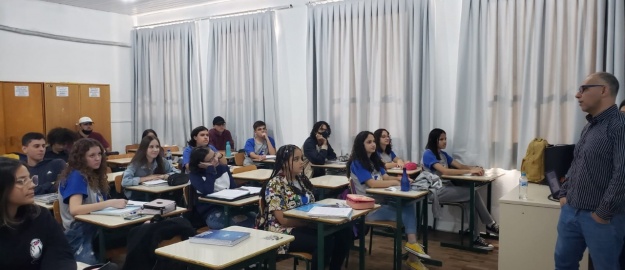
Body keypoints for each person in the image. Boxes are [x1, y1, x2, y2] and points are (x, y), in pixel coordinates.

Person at [555, 72, 625, 270]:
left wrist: (602, 213)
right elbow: (577, 163)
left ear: (603, 90)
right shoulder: (589, 126)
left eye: (584, 89)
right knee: (563, 264)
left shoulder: (620, 126)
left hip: (602, 218)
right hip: (571, 211)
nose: (578, 95)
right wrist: (564, 193)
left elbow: (623, 174)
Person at [257, 145, 351, 270]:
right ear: (283, 163)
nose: (301, 162)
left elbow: (312, 204)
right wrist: (309, 222)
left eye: (301, 158)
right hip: (283, 231)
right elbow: (282, 220)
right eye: (296, 159)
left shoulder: (301, 179)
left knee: (344, 233)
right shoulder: (275, 184)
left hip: (306, 223)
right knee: (324, 241)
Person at [347, 131, 429, 270]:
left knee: (408, 204)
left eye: (373, 141)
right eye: (369, 142)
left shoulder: (374, 160)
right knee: (403, 212)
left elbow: (385, 178)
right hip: (369, 209)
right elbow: (372, 183)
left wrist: (399, 179)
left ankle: (412, 249)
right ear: (361, 145)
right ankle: (413, 253)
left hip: (381, 202)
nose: (373, 144)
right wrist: (396, 183)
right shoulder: (357, 163)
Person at [422, 128, 498, 250]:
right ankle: (489, 224)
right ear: (433, 140)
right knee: (471, 193)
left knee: (470, 200)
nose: (444, 141)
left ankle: (475, 238)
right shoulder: (428, 154)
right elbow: (444, 171)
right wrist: (470, 171)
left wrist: (475, 167)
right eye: (441, 139)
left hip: (447, 187)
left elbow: (460, 166)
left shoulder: (443, 154)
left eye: (445, 139)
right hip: (435, 191)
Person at [58, 138, 128, 265]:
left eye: (99, 154)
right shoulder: (77, 176)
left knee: (139, 230)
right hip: (81, 231)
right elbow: (75, 209)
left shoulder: (94, 175)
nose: (98, 158)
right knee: (136, 234)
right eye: (92, 155)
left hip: (97, 226)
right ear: (81, 158)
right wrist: (110, 203)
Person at [0, 157, 76, 270]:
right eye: (21, 181)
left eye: (29, 179)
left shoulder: (39, 216)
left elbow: (61, 255)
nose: (32, 185)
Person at [188, 147, 256, 229]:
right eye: (211, 160)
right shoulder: (195, 176)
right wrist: (210, 170)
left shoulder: (223, 168)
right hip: (212, 213)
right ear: (201, 164)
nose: (216, 160)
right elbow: (207, 191)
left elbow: (233, 189)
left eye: (215, 155)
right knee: (242, 226)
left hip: (232, 209)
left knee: (257, 219)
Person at [122, 136, 179, 200]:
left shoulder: (162, 161)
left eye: (157, 147)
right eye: (151, 147)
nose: (155, 150)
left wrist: (164, 176)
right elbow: (125, 181)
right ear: (144, 148)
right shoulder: (135, 163)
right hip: (138, 195)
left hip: (157, 193)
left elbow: (177, 172)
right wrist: (147, 178)